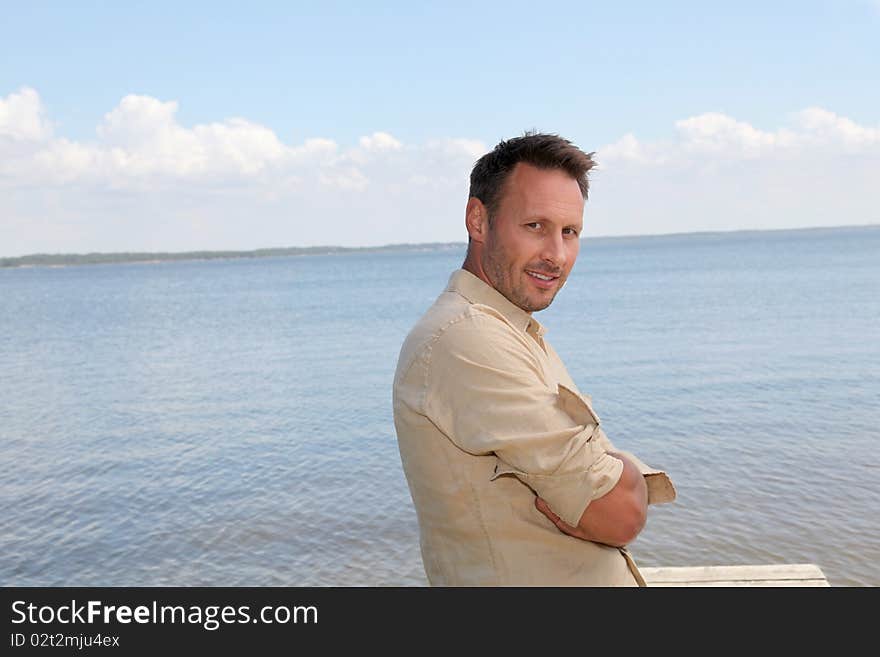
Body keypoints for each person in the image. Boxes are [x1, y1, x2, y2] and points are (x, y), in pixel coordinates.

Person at [392, 132, 675, 586]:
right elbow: (618, 514)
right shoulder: (467, 339)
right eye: (535, 226)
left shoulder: (511, 330)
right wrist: (616, 475)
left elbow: (609, 498)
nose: (556, 256)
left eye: (570, 232)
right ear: (478, 220)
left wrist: (611, 476)